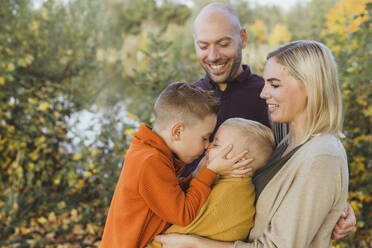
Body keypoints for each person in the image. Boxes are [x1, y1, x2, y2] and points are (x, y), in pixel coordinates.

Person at [181, 2, 356, 239]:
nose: (213, 56)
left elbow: (308, 172)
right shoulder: (184, 101)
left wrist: (334, 207)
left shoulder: (277, 106)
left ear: (242, 38)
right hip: (191, 223)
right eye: (203, 45)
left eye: (223, 43)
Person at [155, 40, 351, 247]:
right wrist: (333, 205)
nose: (263, 93)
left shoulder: (322, 156)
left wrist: (195, 244)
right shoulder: (287, 142)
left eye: (274, 84)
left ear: (312, 86)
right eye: (265, 83)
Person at [99, 82, 252, 248]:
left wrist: (197, 175)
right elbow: (183, 214)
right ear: (177, 132)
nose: (208, 145)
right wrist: (210, 172)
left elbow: (168, 196)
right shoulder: (149, 161)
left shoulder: (149, 152)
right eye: (204, 137)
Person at [148, 118, 275, 248]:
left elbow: (171, 236)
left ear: (240, 162)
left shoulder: (227, 195)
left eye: (216, 145)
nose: (208, 146)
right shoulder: (236, 186)